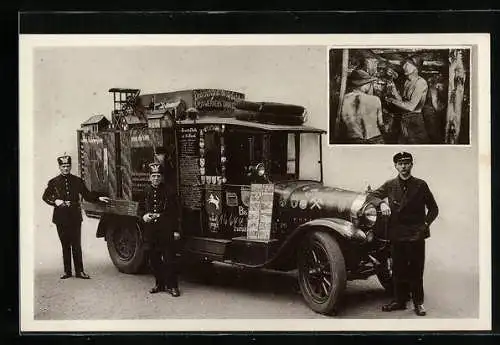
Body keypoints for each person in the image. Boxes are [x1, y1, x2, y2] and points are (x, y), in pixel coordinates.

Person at [368, 152, 439, 316]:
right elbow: (371, 196)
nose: (403, 166)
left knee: (416, 270)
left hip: (416, 235)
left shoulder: (421, 185)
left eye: (407, 163)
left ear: (412, 165)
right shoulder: (390, 184)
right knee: (398, 269)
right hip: (397, 234)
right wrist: (381, 204)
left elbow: (434, 209)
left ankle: (418, 303)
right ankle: (399, 301)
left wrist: (425, 224)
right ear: (395, 166)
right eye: (400, 163)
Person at [42, 154, 110, 279]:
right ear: (59, 167)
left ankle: (80, 272)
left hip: (74, 217)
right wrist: (55, 201)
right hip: (60, 218)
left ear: (70, 166)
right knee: (65, 245)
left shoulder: (77, 181)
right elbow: (45, 197)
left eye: (68, 166)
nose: (66, 169)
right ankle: (67, 272)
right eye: (63, 166)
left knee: (76, 245)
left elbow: (87, 195)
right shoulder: (53, 182)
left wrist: (99, 197)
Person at [142, 162, 180, 296]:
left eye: (158, 175)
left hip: (166, 230)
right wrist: (144, 216)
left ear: (162, 177)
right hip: (151, 231)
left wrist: (176, 230)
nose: (156, 178)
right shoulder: (146, 190)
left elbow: (176, 213)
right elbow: (141, 208)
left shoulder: (169, 191)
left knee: (169, 259)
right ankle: (159, 284)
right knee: (154, 259)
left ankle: (173, 286)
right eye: (153, 176)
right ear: (149, 177)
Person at [385, 55, 430, 144]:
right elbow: (402, 101)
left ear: (416, 68)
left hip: (415, 121)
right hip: (404, 119)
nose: (404, 66)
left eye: (408, 64)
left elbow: (410, 107)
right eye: (404, 64)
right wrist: (393, 89)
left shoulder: (421, 83)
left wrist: (391, 100)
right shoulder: (407, 82)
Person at [339, 69, 385, 144]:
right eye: (370, 83)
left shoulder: (343, 99)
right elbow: (381, 123)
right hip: (374, 139)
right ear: (366, 85)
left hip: (354, 140)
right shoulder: (375, 100)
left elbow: (342, 120)